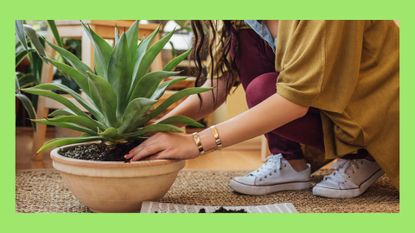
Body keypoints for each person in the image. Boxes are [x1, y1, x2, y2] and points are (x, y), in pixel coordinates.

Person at [125, 20, 399, 199]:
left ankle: (364, 154)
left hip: (380, 111)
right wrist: (157, 128)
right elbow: (216, 87)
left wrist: (196, 142)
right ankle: (290, 161)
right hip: (330, 110)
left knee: (262, 91)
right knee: (258, 78)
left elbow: (295, 100)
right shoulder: (241, 20)